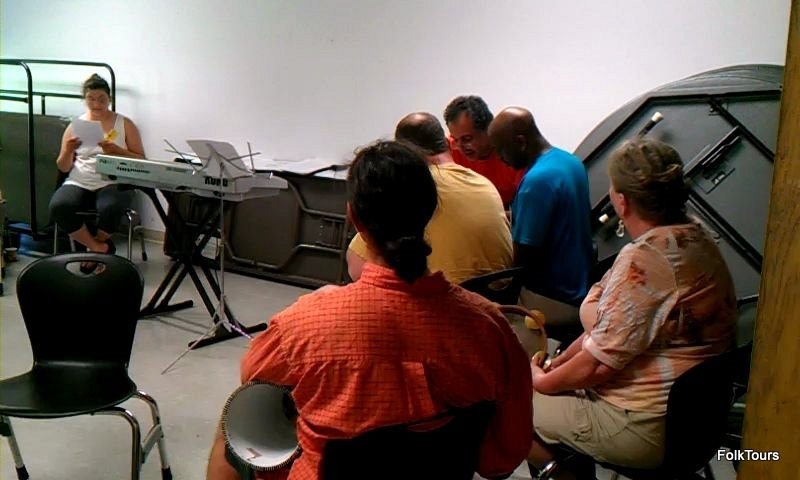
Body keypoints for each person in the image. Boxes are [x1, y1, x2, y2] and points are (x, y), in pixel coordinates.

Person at [205, 140, 533, 480]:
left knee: (232, 423)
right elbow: (501, 460)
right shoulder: (491, 328)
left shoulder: (305, 323)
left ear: (354, 217)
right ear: (430, 212)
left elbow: (253, 379)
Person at [526, 138, 737, 478]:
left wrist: (541, 381)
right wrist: (560, 364)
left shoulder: (645, 259)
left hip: (645, 426)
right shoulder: (694, 234)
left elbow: (598, 365)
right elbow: (607, 333)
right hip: (697, 415)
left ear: (622, 201)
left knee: (511, 402)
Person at [347, 112, 513, 285]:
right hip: (501, 295)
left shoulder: (413, 187)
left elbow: (355, 262)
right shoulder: (484, 183)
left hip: (444, 296)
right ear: (447, 142)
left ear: (406, 155)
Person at [488, 106, 593, 342]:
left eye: (501, 149)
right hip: (581, 283)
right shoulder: (570, 162)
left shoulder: (536, 182)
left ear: (521, 142)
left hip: (553, 295)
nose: (500, 158)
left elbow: (524, 257)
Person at [48, 73, 145, 268]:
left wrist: (117, 150)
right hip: (80, 180)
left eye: (101, 99)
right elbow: (63, 166)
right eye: (91, 99)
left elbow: (142, 160)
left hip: (113, 180)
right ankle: (98, 248)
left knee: (110, 207)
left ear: (110, 99)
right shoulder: (76, 125)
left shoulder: (124, 124)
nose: (96, 104)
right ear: (84, 100)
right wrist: (68, 150)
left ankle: (93, 249)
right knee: (59, 206)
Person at [444, 96, 525, 208]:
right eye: (455, 139)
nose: (460, 146)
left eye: (467, 139)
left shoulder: (511, 153)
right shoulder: (448, 150)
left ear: (488, 129)